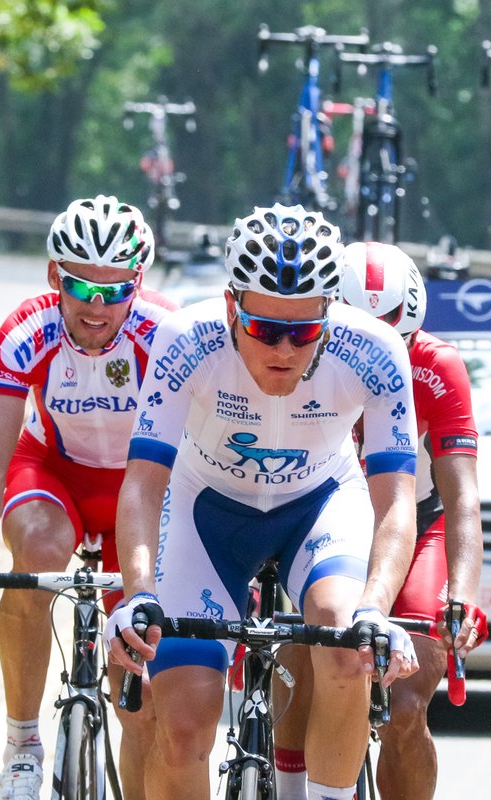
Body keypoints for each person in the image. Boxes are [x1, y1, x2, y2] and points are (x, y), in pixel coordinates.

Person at [108, 204, 421, 800]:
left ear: (331, 313)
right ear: (232, 307)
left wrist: (375, 608)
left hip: (321, 504)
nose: (282, 349)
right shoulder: (186, 339)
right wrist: (140, 593)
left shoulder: (376, 350)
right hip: (207, 512)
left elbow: (396, 502)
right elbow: (145, 483)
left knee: (345, 643)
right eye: (262, 329)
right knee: (179, 728)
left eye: (302, 332)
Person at [270, 241, 490, 800]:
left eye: (398, 339)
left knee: (405, 708)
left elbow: (462, 497)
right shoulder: (294, 353)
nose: (379, 357)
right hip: (318, 519)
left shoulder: (437, 366)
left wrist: (461, 596)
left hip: (414, 525)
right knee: (302, 660)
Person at [0, 195, 175, 800]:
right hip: (52, 472)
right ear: (52, 277)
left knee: (139, 692)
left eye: (115, 290)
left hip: (138, 489)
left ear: (138, 284)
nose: (97, 306)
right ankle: (21, 744)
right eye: (80, 287)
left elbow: (196, 455)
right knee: (37, 552)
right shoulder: (26, 332)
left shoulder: (164, 334)